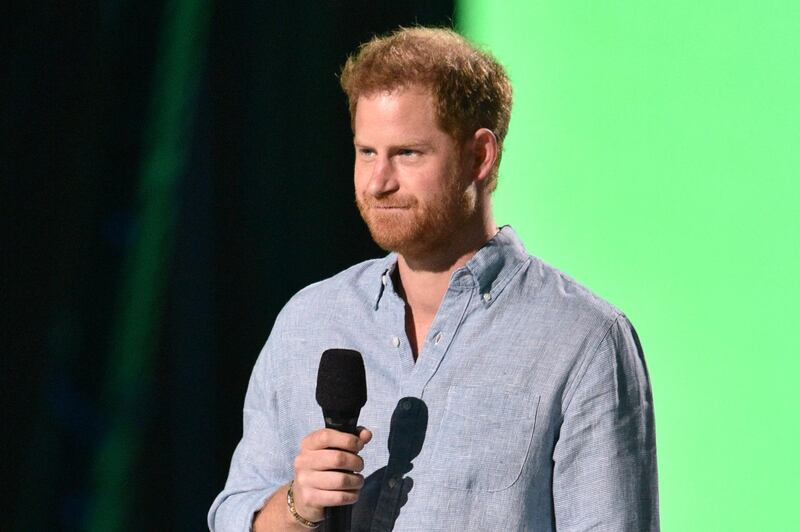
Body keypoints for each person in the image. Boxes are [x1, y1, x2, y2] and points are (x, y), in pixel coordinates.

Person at [209, 27, 658, 531]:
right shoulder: (309, 320)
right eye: (366, 152)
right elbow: (234, 515)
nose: (378, 182)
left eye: (407, 154)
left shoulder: (582, 340)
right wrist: (296, 506)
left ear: (479, 156)